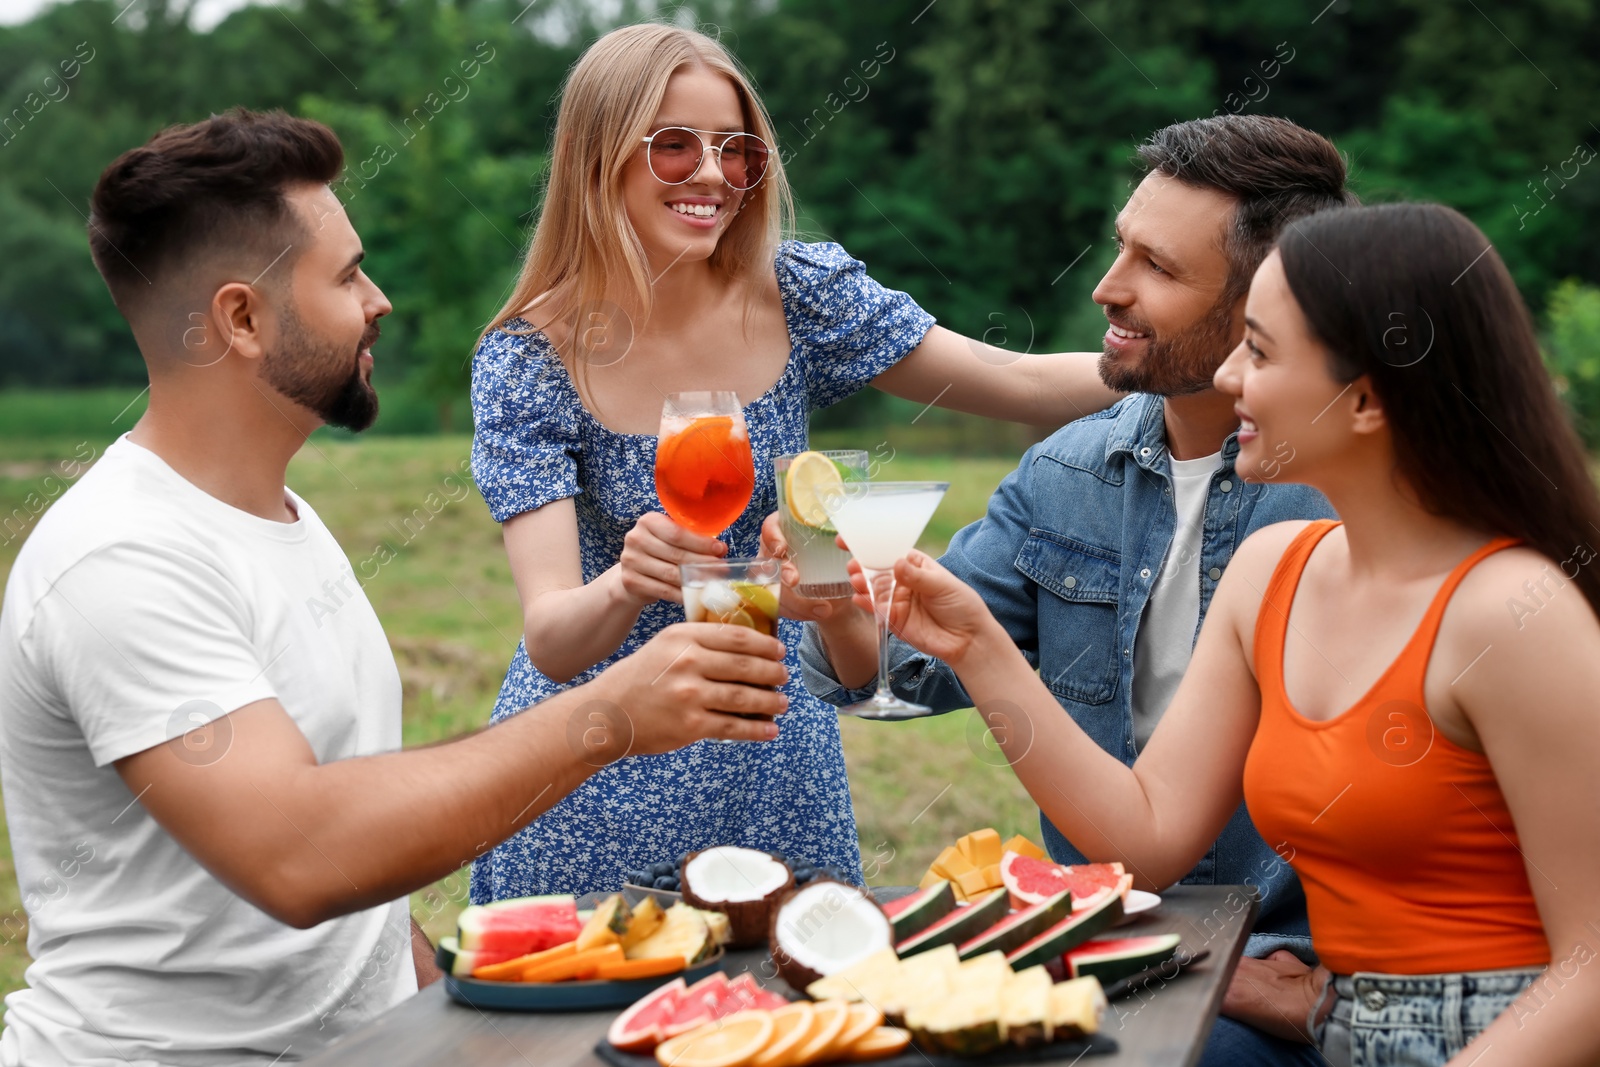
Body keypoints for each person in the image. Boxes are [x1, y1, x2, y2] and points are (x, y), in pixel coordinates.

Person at [0, 108, 792, 1067]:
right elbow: (300, 856)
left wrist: (439, 1002)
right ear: (241, 319)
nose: (378, 300)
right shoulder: (121, 558)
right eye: (345, 276)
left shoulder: (281, 517)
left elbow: (353, 881)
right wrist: (608, 715)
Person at [841, 202, 1600, 1066]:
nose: (1230, 376)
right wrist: (976, 644)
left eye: (1262, 351)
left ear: (1366, 398)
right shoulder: (1275, 569)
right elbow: (1146, 835)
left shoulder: (1512, 613)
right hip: (1336, 1033)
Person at [466, 22, 1120, 904]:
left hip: (769, 746)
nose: (712, 174)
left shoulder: (799, 293)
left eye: (736, 151)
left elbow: (1011, 378)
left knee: (803, 1006)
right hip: (600, 756)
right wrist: (625, 583)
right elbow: (551, 637)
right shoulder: (530, 356)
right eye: (673, 147)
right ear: (596, 155)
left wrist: (1192, 365)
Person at [795, 113, 1346, 1065]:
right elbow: (893, 672)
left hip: (1292, 979)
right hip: (1102, 945)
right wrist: (836, 597)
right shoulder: (1067, 471)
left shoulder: (1341, 503)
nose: (1108, 287)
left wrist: (1291, 987)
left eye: (1158, 268)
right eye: (1121, 247)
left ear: (1270, 304)